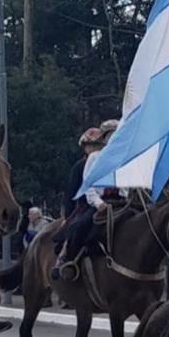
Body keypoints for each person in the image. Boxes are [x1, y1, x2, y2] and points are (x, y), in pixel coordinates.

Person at [52, 119, 120, 281]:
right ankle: (66, 259)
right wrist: (98, 203)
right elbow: (87, 186)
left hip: (120, 202)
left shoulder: (124, 158)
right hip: (97, 203)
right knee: (80, 225)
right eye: (112, 136)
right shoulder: (94, 158)